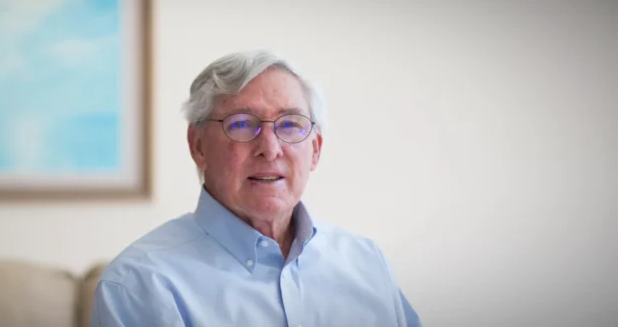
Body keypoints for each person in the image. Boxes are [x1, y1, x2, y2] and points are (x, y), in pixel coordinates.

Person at [90, 49, 422, 327]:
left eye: (290, 124)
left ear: (316, 149)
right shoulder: (139, 284)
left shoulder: (366, 262)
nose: (270, 148)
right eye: (241, 124)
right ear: (198, 145)